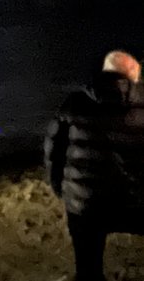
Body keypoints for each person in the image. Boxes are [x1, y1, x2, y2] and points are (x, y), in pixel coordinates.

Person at [46, 50, 144, 280]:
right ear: (130, 75)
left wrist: (61, 190)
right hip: (137, 202)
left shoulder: (74, 103)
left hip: (86, 204)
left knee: (88, 267)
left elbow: (53, 153)